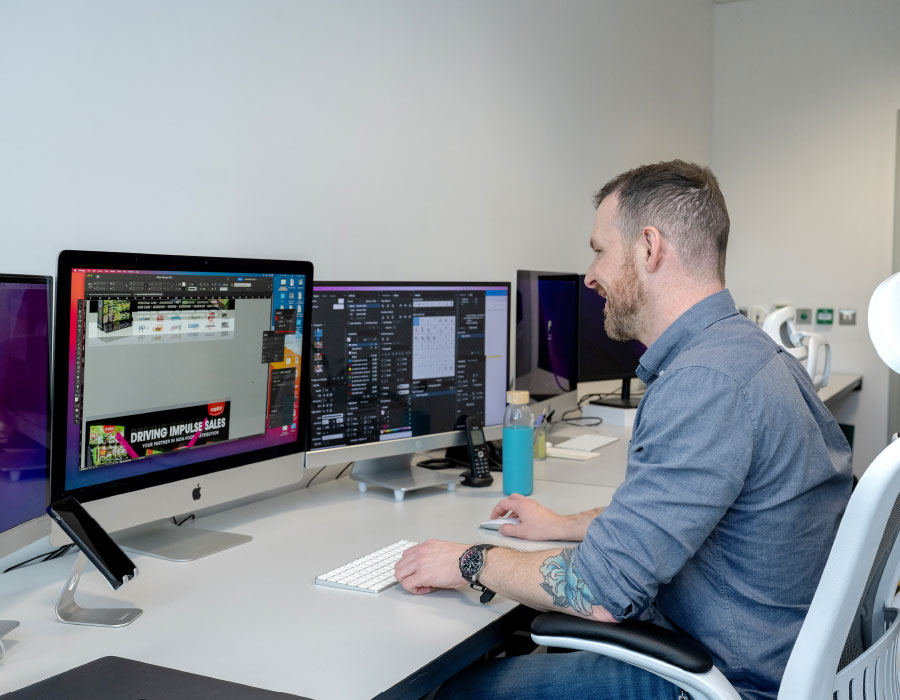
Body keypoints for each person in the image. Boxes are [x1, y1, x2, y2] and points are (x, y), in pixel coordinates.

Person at [394, 160, 852, 700]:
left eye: (599, 249)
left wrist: (469, 561)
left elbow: (600, 592)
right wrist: (564, 525)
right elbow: (680, 508)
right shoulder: (747, 352)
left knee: (443, 691)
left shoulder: (703, 382)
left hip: (726, 681)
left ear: (649, 247)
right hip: (770, 651)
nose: (590, 275)